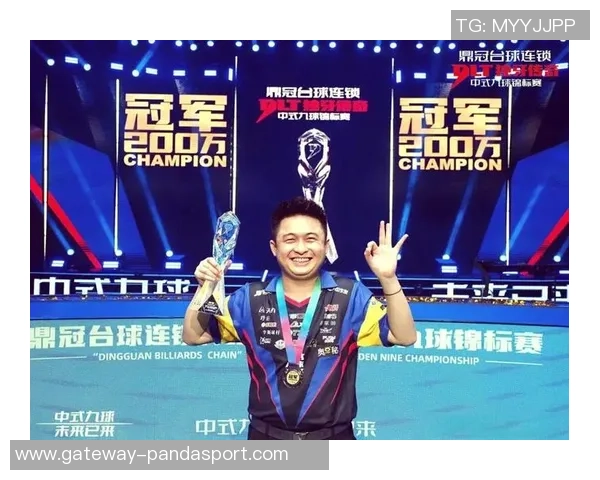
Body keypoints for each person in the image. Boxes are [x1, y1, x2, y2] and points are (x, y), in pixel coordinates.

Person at [183, 197, 416, 440]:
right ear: (274, 247)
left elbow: (404, 336)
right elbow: (193, 335)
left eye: (311, 239)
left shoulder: (351, 297)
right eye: (290, 239)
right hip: (266, 441)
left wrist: (388, 278)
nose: (301, 249)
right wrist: (205, 287)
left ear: (326, 245)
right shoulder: (248, 299)